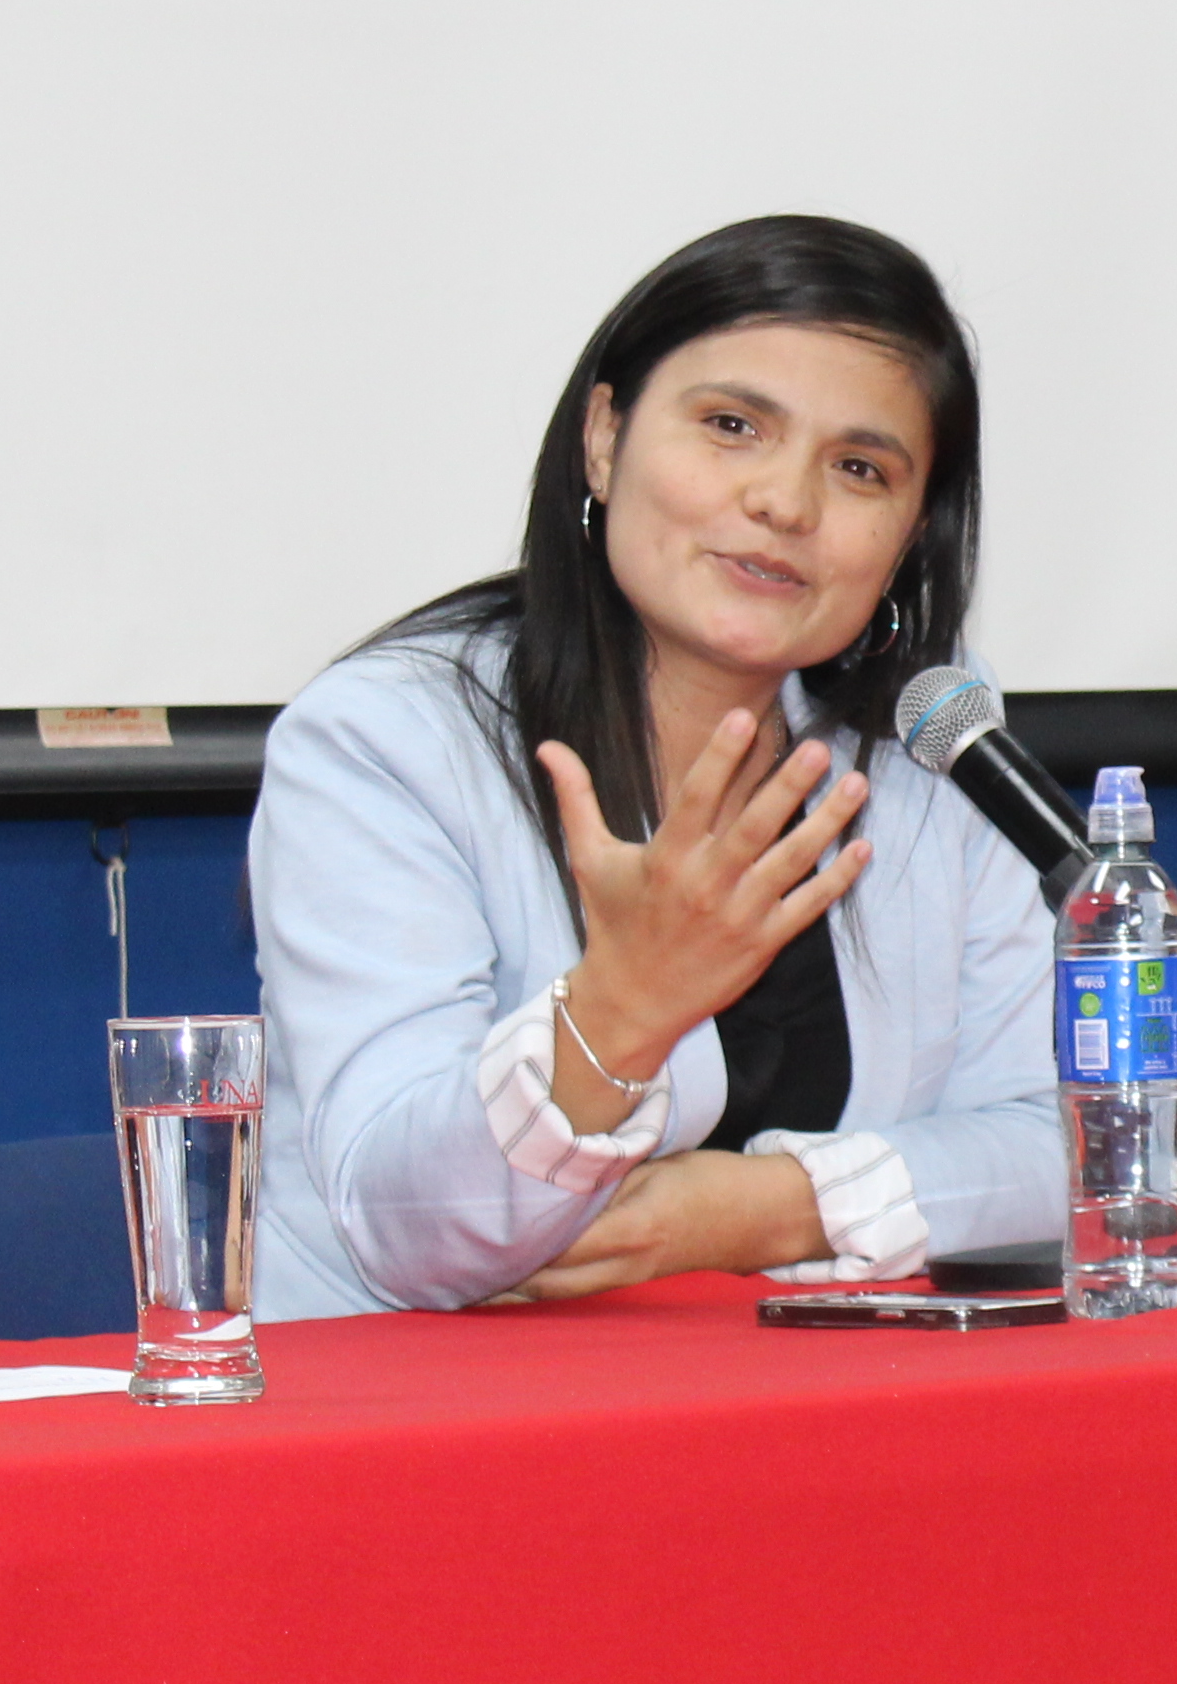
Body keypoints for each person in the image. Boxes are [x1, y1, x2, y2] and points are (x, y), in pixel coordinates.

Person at [252, 214, 1062, 1311]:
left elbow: (1066, 1148)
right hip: (417, 1424)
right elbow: (402, 1230)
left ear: (913, 530)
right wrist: (622, 1008)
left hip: (792, 1417)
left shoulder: (923, 736)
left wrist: (760, 1206)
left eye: (860, 467)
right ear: (604, 436)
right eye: (733, 425)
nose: (785, 503)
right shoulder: (386, 741)